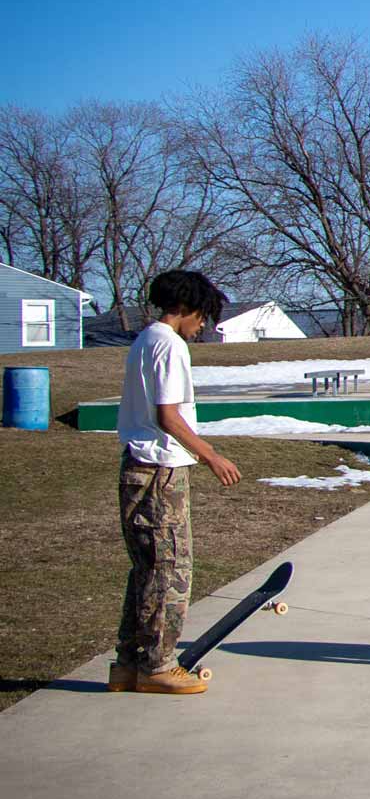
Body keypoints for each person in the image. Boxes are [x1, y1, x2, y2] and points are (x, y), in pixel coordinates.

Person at [110, 270, 243, 694]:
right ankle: (159, 667)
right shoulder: (169, 345)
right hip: (160, 474)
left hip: (138, 468)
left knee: (146, 570)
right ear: (185, 309)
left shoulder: (144, 340)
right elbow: (168, 415)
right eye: (202, 315)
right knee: (170, 571)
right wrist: (211, 456)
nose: (202, 324)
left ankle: (130, 664)